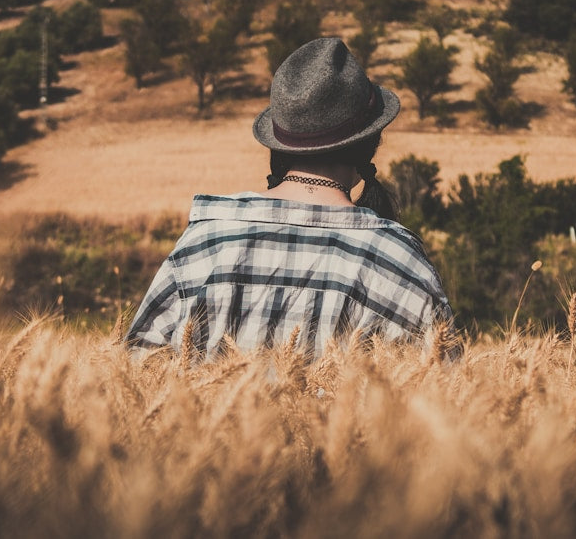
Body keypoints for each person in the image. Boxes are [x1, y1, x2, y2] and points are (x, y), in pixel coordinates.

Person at [124, 37, 451, 358]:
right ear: (370, 143)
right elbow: (450, 397)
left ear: (278, 146)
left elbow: (137, 378)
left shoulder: (202, 247)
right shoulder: (400, 266)